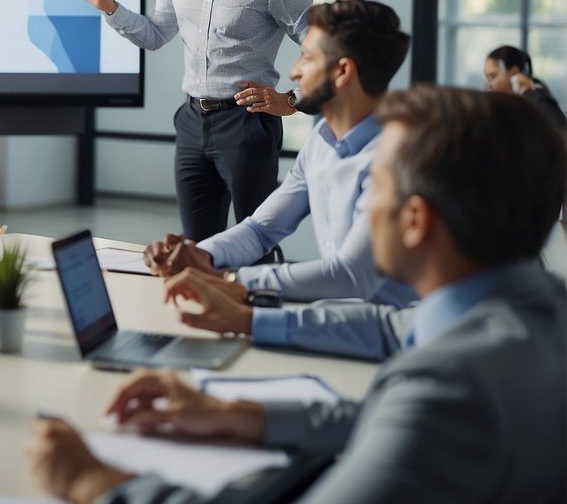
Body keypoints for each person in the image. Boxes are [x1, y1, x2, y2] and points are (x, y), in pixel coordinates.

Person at [29, 85, 566, 504]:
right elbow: (387, 340)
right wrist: (240, 414)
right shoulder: (542, 306)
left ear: (415, 220)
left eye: (375, 184)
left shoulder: (448, 388)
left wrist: (98, 482)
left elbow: (426, 418)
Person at [64, 0, 312, 241]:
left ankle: (259, 301)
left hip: (246, 126)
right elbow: (154, 35)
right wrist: (109, 6)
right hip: (192, 122)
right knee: (198, 248)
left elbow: (323, 44)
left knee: (256, 243)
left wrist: (293, 100)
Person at [144, 0, 414, 308]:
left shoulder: (397, 160)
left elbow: (350, 277)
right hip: (346, 321)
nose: (294, 71)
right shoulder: (321, 143)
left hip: (403, 334)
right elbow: (261, 230)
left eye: (306, 57)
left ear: (342, 72)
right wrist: (202, 255)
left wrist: (227, 278)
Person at [484, 44, 565, 130]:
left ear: (514, 73)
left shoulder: (538, 102)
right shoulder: (508, 105)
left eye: (493, 76)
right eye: (488, 79)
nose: (489, 85)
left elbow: (561, 132)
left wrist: (527, 92)